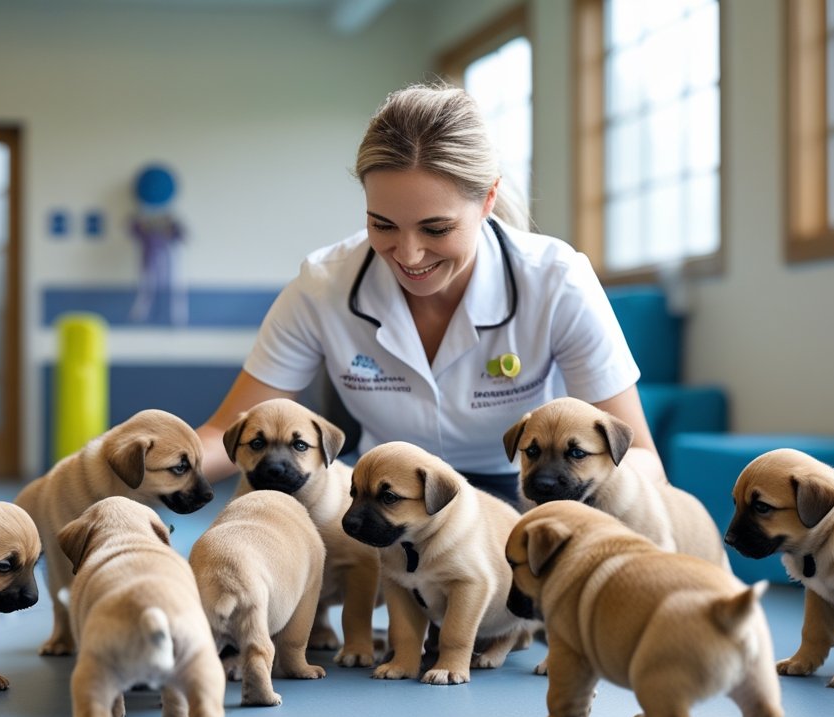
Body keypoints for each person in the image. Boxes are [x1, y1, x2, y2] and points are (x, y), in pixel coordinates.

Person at [196, 83, 664, 504]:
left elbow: (639, 456)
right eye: (383, 225)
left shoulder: (557, 280)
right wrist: (134, 475)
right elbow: (225, 432)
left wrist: (576, 514)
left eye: (435, 228)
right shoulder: (322, 285)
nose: (410, 255)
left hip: (520, 488)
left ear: (487, 200)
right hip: (381, 491)